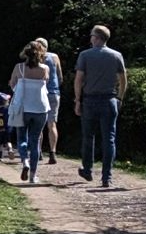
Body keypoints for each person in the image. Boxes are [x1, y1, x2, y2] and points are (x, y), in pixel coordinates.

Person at [75, 22, 128, 187]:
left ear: (96, 38)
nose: (90, 38)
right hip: (110, 99)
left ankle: (88, 169)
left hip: (90, 100)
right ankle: (107, 176)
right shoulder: (116, 55)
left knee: (88, 137)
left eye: (91, 35)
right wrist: (120, 97)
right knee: (109, 139)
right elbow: (123, 79)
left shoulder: (85, 55)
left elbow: (78, 79)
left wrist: (78, 100)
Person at [10, 46, 51, 183]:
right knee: (35, 141)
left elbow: (12, 83)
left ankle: (25, 161)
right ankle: (33, 176)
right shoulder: (45, 69)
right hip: (40, 108)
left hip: (23, 108)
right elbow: (46, 83)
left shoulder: (19, 68)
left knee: (21, 138)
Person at [34, 35, 62, 164]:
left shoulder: (34, 58)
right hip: (54, 92)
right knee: (52, 124)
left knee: (38, 124)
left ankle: (38, 151)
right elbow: (59, 76)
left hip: (40, 93)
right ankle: (53, 152)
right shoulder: (54, 57)